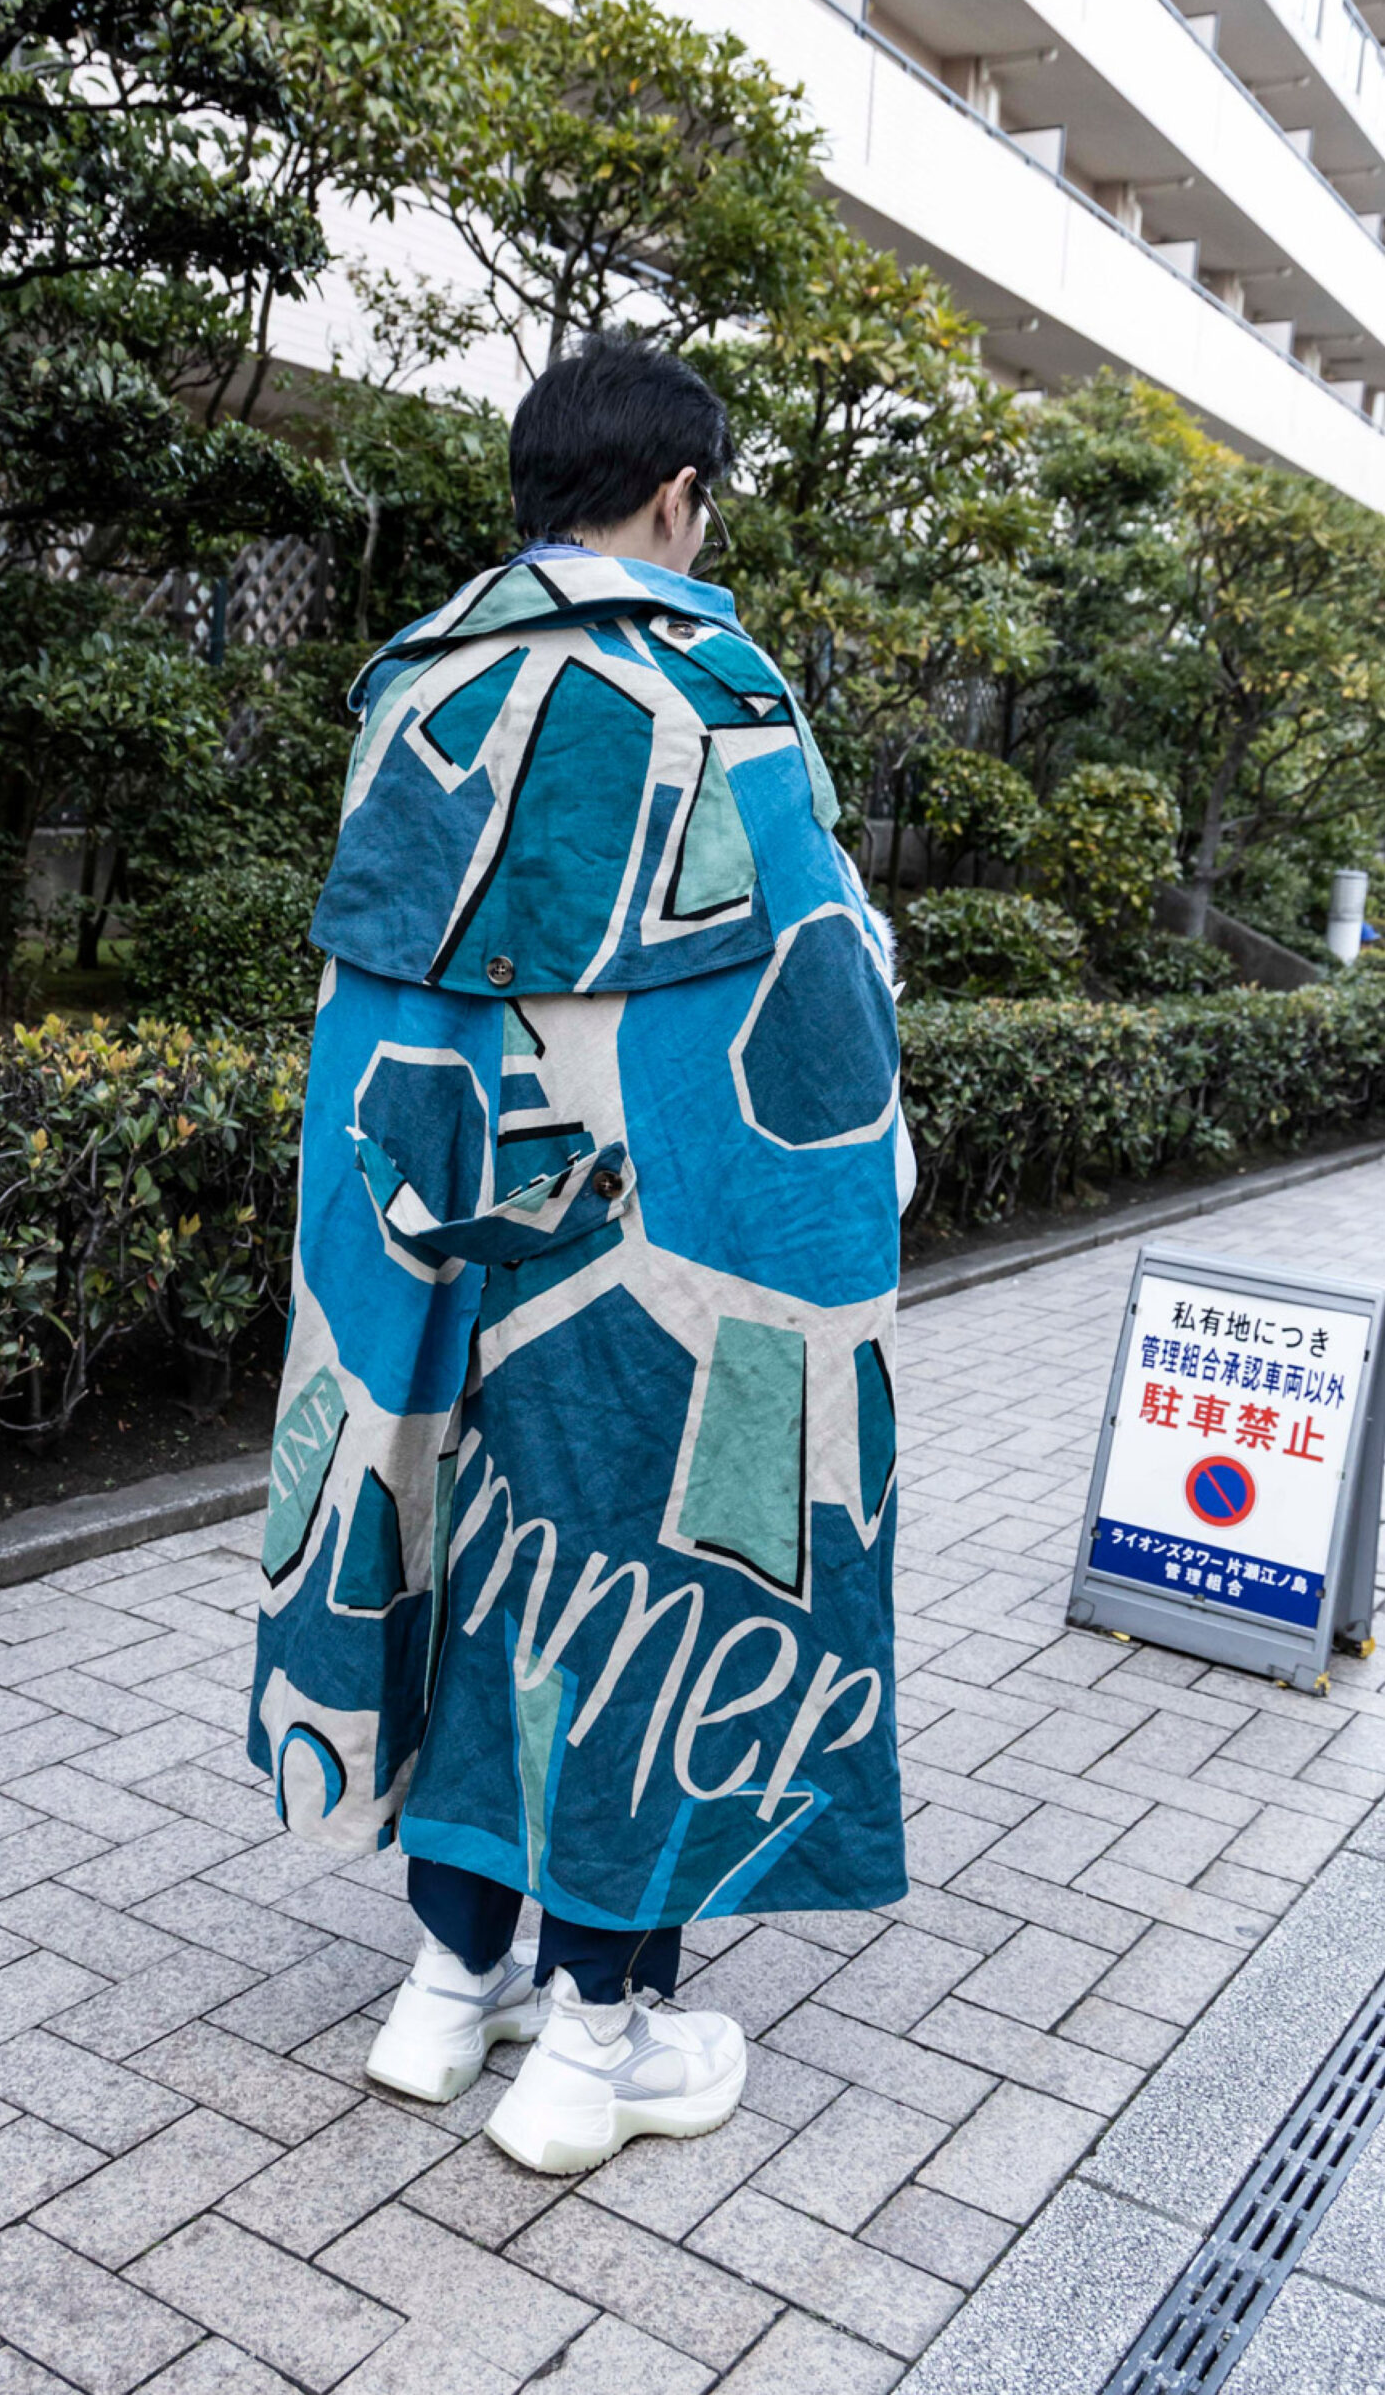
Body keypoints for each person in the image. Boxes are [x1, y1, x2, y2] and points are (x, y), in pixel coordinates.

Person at [247, 333, 909, 2175]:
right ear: (677, 493)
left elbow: (380, 995)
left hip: (425, 1233)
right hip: (645, 1249)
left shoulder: (414, 678)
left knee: (450, 1559)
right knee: (649, 1576)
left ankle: (445, 1988)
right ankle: (594, 2042)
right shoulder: (707, 686)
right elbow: (809, 1004)